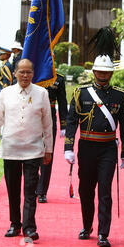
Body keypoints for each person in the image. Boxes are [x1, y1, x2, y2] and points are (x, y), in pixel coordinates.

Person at [64, 55, 124, 247]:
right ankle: (87, 226)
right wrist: (68, 147)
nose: (103, 76)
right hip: (86, 147)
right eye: (100, 72)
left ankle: (103, 232)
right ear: (94, 72)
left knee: (104, 191)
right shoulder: (81, 92)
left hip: (108, 149)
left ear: (111, 73)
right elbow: (71, 121)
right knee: (85, 190)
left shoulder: (120, 94)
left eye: (107, 72)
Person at [0, 59, 53, 242]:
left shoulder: (42, 94)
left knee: (30, 191)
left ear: (33, 73)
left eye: (28, 72)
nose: (25, 76)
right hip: (11, 149)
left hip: (34, 150)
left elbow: (48, 124)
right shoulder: (5, 94)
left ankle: (29, 228)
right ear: (15, 73)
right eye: (21, 72)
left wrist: (49, 149)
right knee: (13, 190)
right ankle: (15, 224)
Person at [36, 73, 68, 203]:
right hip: (32, 119)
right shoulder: (33, 73)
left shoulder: (58, 78)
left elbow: (62, 101)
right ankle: (35, 184)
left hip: (49, 119)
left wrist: (64, 124)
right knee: (30, 154)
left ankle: (42, 191)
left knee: (47, 154)